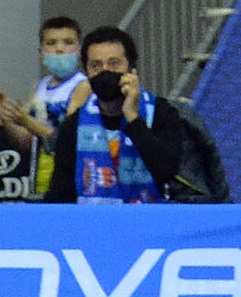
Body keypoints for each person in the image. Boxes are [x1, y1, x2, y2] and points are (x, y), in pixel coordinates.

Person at [45, 26, 230, 202]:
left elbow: (166, 170)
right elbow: (61, 192)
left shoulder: (162, 113)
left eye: (114, 64)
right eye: (96, 66)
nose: (105, 71)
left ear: (131, 70)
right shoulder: (74, 126)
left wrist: (132, 117)